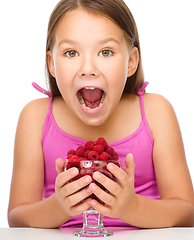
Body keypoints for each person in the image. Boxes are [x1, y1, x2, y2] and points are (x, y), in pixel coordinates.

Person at [8, 0, 194, 229]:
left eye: (106, 52)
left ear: (131, 62)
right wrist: (57, 206)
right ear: (51, 63)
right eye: (71, 52)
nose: (88, 68)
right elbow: (17, 218)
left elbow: (187, 213)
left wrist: (132, 207)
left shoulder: (156, 112)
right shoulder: (35, 118)